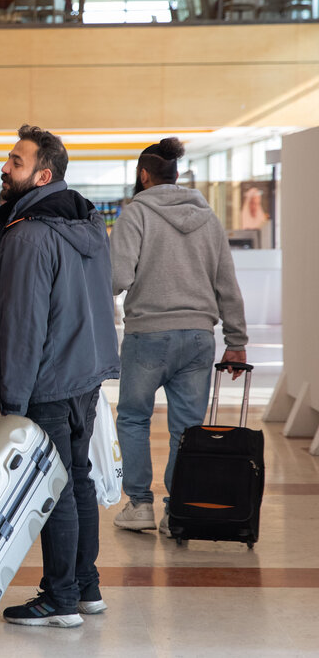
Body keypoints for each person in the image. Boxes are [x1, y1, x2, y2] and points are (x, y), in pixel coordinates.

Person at [0, 125, 120, 627]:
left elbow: (23, 324)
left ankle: (59, 599)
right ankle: (85, 588)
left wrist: (13, 401)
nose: (4, 168)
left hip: (49, 381)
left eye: (15, 161)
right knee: (77, 478)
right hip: (84, 375)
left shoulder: (29, 234)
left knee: (51, 488)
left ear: (43, 174)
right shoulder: (88, 222)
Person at [110, 137, 248, 536]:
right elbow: (227, 283)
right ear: (176, 174)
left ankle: (139, 505)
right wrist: (236, 341)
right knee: (187, 429)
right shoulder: (207, 217)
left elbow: (117, 278)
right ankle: (178, 509)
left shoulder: (135, 214)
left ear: (143, 175)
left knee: (134, 418)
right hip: (199, 338)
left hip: (147, 336)